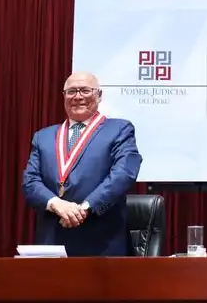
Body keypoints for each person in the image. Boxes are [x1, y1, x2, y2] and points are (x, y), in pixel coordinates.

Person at [22, 71, 142, 256]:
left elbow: (123, 173)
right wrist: (56, 203)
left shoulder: (119, 129)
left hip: (102, 243)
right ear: (64, 96)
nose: (78, 97)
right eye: (71, 91)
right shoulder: (43, 136)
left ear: (99, 95)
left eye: (85, 90)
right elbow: (30, 181)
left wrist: (85, 207)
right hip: (53, 241)